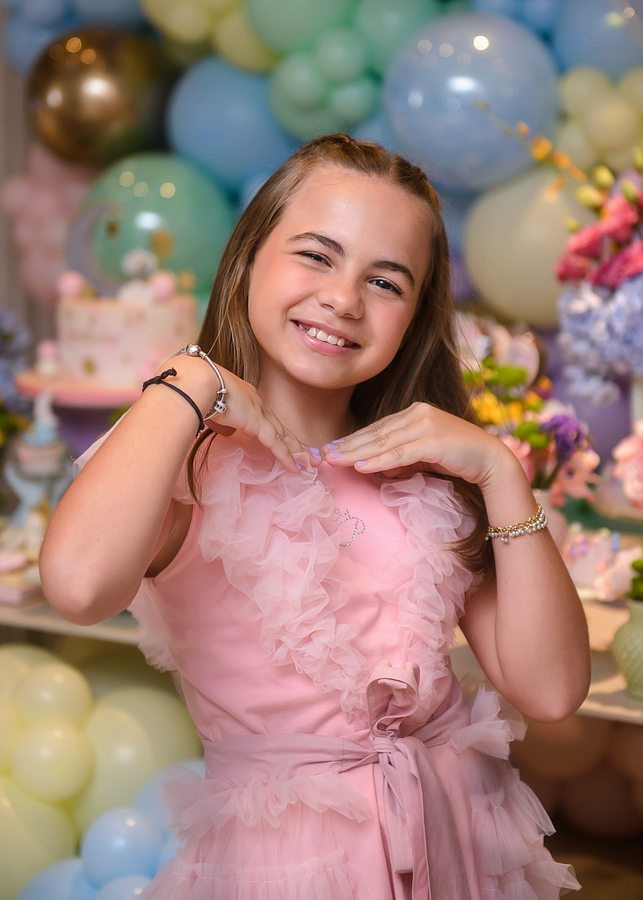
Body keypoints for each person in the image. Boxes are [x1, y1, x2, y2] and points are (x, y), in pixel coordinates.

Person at [40, 134, 590, 899]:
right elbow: (77, 586)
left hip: (457, 847)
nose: (342, 298)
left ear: (413, 317)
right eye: (316, 255)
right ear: (247, 259)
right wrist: (191, 381)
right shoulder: (182, 456)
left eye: (385, 281)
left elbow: (552, 689)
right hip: (283, 866)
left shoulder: (430, 469)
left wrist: (499, 470)